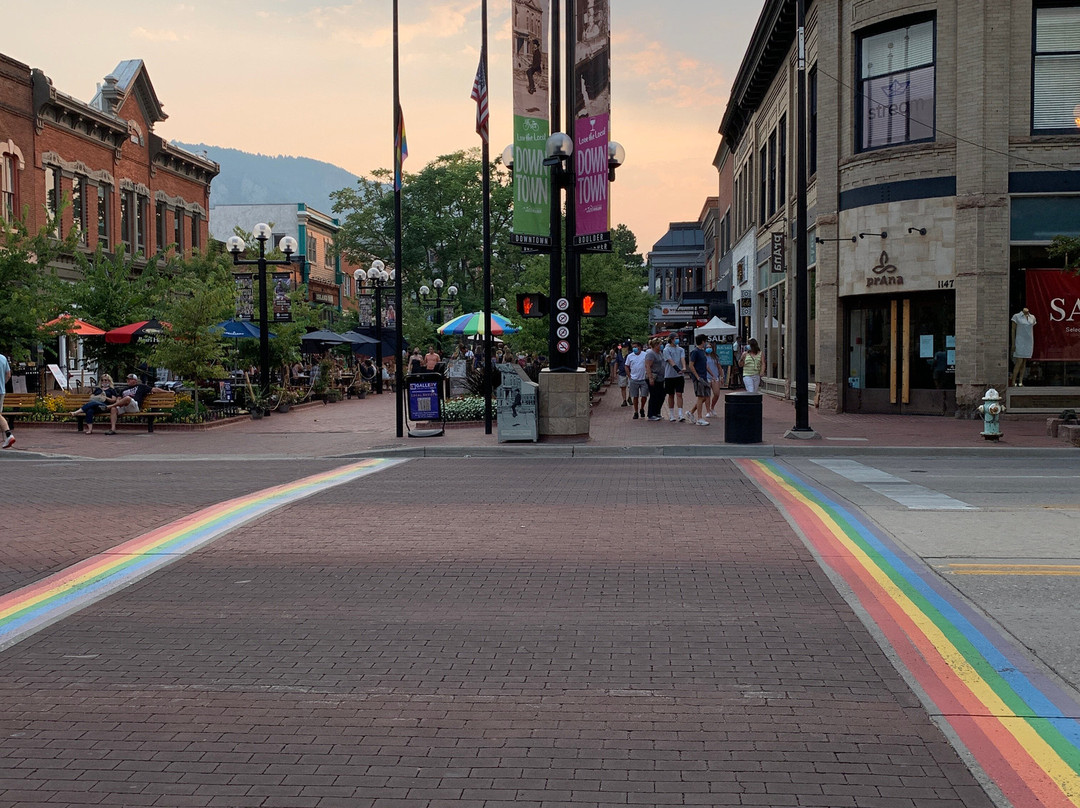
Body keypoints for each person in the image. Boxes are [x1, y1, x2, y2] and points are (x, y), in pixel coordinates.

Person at [687, 334, 711, 426]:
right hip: (699, 377)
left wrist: (711, 374)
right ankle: (699, 418)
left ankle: (691, 412)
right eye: (705, 341)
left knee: (705, 396)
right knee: (701, 397)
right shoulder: (695, 352)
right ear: (703, 341)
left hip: (703, 377)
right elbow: (691, 365)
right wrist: (697, 376)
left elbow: (704, 365)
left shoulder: (702, 352)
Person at [662, 334, 686, 422]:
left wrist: (684, 367)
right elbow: (670, 360)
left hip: (679, 376)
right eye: (676, 338)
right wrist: (677, 369)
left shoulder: (681, 349)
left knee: (679, 394)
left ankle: (680, 414)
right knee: (671, 395)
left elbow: (682, 358)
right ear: (671, 339)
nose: (677, 340)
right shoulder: (666, 350)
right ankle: (671, 414)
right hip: (669, 375)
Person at [1011, 307, 1036, 387]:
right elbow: (1013, 330)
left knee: (1024, 362)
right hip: (1020, 341)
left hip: (1028, 341)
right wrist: (1013, 343)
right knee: (1019, 361)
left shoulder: (1032, 317)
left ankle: (1021, 381)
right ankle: (1013, 381)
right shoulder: (1016, 316)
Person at [624, 341, 649, 420]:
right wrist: (629, 375)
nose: (634, 348)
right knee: (635, 396)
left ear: (640, 347)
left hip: (643, 379)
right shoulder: (630, 356)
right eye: (633, 347)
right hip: (634, 379)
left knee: (644, 396)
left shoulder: (645, 355)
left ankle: (642, 408)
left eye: (636, 347)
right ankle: (636, 411)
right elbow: (626, 366)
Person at [644, 338, 666, 420]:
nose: (661, 346)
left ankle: (657, 411)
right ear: (656, 345)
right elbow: (648, 366)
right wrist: (650, 378)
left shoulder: (660, 353)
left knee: (661, 395)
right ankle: (651, 414)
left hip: (660, 378)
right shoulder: (651, 354)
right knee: (654, 395)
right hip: (654, 377)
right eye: (660, 344)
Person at [705, 343, 723, 418]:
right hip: (707, 377)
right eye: (707, 347)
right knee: (707, 395)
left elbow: (719, 367)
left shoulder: (715, 357)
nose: (709, 349)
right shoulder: (704, 357)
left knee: (716, 393)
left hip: (715, 377)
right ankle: (708, 410)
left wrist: (722, 376)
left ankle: (712, 407)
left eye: (710, 347)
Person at [0, 349, 13, 449]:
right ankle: (8, 436)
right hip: (1, 391)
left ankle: (9, 435)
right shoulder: (3, 358)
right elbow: (8, 374)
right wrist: (2, 384)